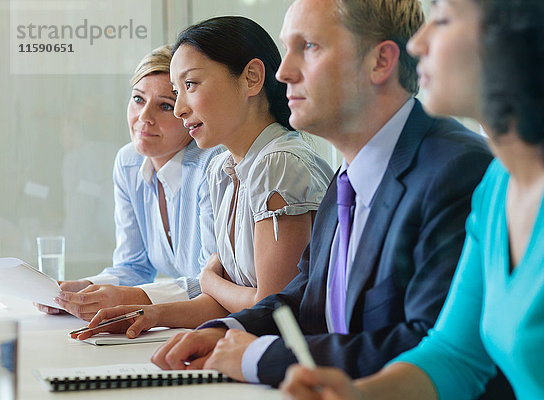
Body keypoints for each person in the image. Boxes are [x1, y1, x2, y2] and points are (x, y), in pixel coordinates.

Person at [148, 0, 503, 393]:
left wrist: (258, 357)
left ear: (380, 62)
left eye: (309, 47)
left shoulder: (456, 169)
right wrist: (227, 330)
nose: (283, 73)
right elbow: (305, 294)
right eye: (288, 49)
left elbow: (426, 346)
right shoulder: (348, 175)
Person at [280, 0, 544, 398]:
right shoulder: (500, 183)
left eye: (443, 20)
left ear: (524, 37)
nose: (417, 44)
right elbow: (455, 354)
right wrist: (358, 394)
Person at [71, 16, 333, 337]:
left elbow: (270, 308)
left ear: (251, 78)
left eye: (190, 85)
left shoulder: (278, 164)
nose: (180, 108)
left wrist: (209, 280)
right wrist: (148, 315)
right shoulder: (221, 170)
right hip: (250, 343)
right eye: (178, 91)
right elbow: (225, 302)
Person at [39, 45, 223, 321]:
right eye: (138, 99)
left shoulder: (213, 165)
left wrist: (131, 298)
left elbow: (211, 282)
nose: (144, 118)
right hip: (178, 322)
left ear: (188, 112)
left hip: (211, 323)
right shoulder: (129, 162)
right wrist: (84, 289)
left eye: (164, 106)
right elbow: (133, 266)